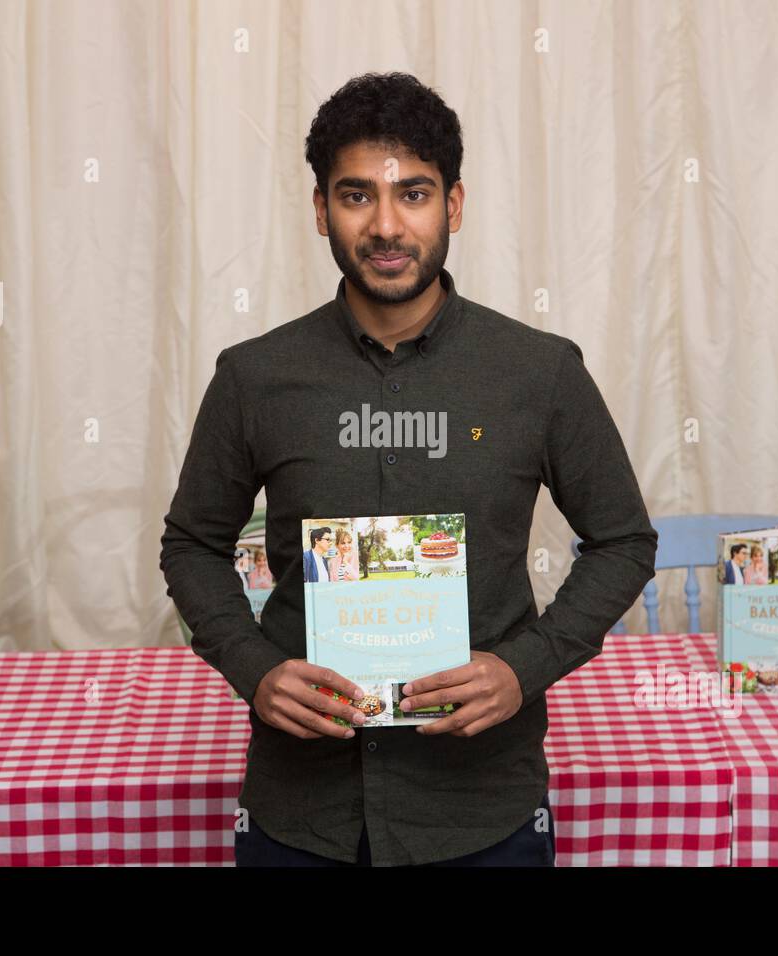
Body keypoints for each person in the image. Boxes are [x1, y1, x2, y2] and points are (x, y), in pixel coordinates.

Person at [160, 72, 657, 867]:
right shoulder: (254, 377)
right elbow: (191, 543)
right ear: (321, 209)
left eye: (414, 194)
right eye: (356, 196)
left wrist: (523, 668)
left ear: (453, 206)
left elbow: (625, 540)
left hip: (481, 810)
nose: (386, 225)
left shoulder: (540, 373)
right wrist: (254, 668)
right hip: (302, 812)